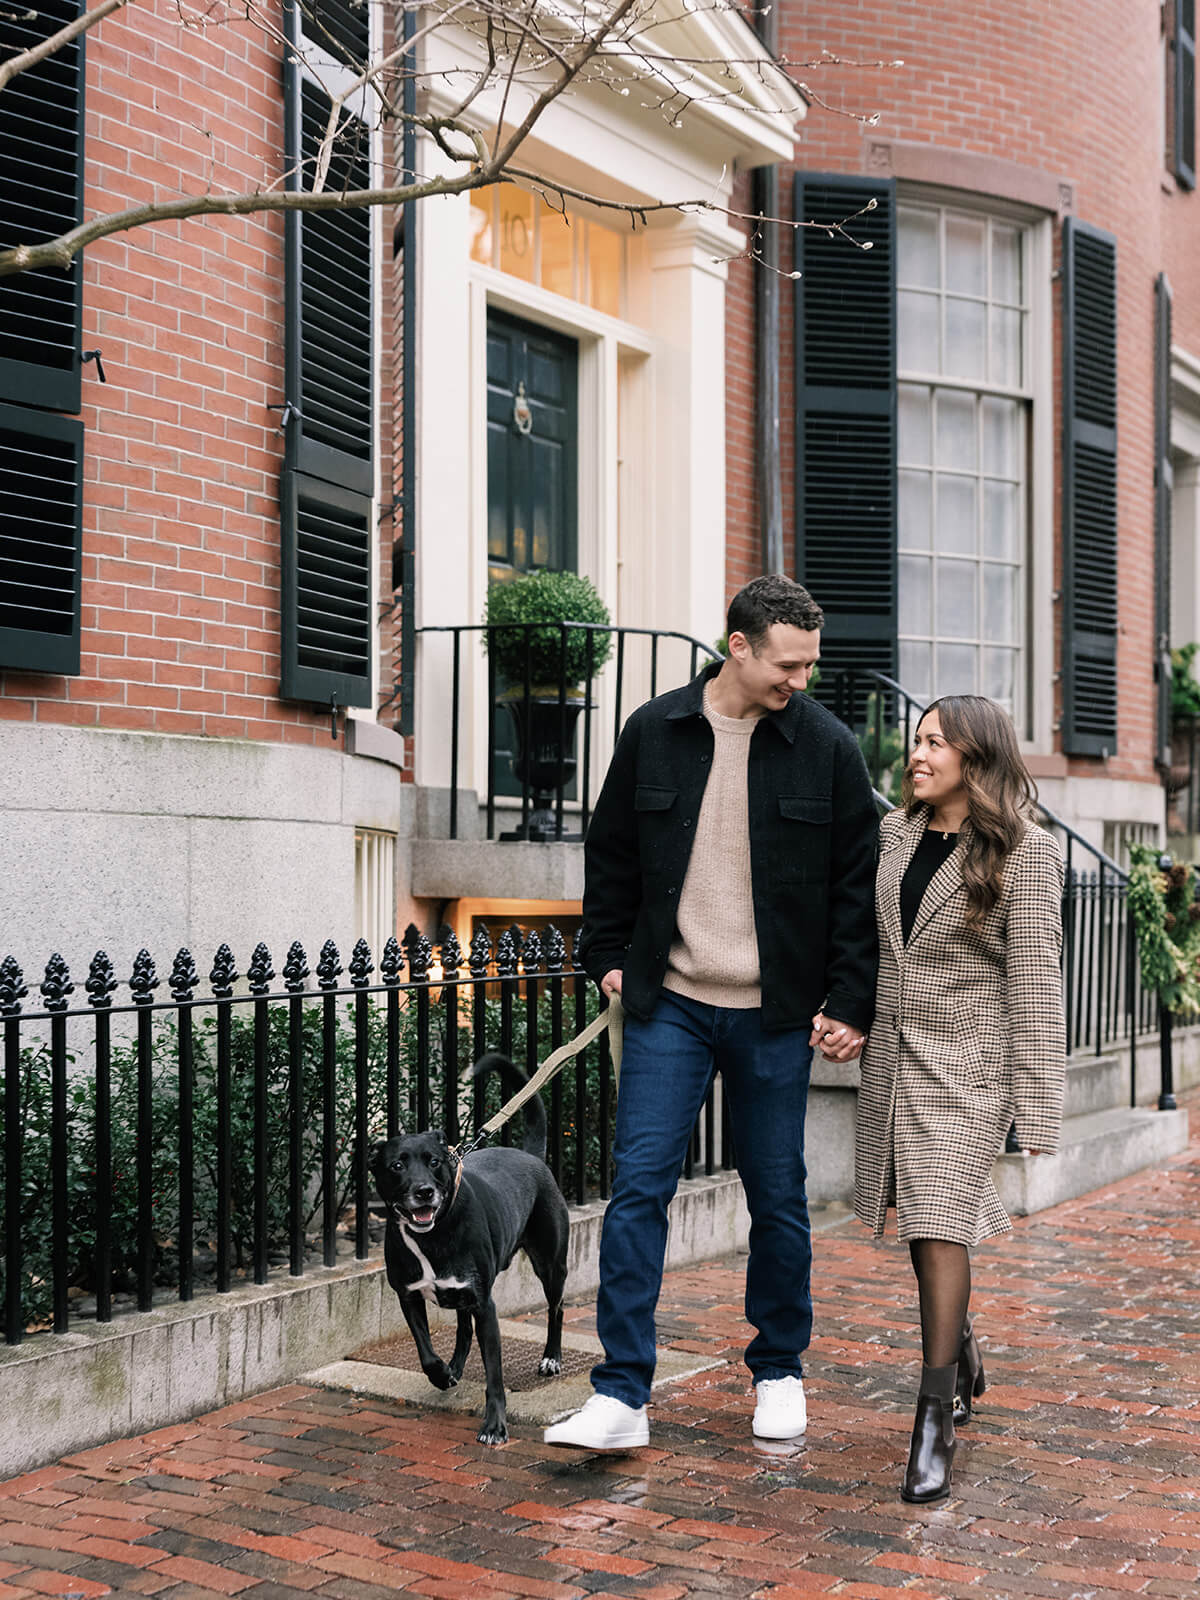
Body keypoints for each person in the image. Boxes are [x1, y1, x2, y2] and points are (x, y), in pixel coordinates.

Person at [544, 574, 879, 1451]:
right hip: (672, 1005)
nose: (800, 679)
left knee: (778, 1196)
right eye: (788, 662)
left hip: (775, 1014)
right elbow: (611, 853)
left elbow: (855, 890)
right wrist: (608, 958)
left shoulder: (829, 748)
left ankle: (778, 1370)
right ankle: (620, 1394)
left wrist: (849, 1001)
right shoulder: (654, 731)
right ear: (739, 645)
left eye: (810, 664)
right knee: (638, 1190)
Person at [853, 695, 1065, 1504]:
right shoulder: (894, 834)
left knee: (941, 1224)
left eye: (936, 742)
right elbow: (878, 947)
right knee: (921, 1226)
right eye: (917, 739)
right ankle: (963, 1344)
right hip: (895, 1066)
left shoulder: (1028, 855)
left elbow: (1037, 985)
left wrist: (1037, 1108)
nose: (918, 752)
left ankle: (933, 1417)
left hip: (970, 1073)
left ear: (976, 758)